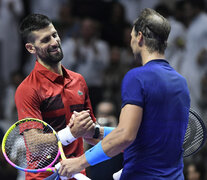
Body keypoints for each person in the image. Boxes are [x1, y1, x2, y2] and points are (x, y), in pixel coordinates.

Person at [58, 8, 191, 179]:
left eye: (131, 37)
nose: (131, 42)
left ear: (140, 37)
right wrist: (95, 132)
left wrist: (79, 162)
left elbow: (126, 135)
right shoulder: (181, 82)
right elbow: (146, 133)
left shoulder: (136, 77)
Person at [15, 14, 100, 180]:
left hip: (77, 175)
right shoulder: (27, 89)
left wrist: (127, 145)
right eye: (45, 40)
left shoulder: (79, 81)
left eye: (54, 35)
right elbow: (34, 145)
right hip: (43, 177)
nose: (54, 42)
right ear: (31, 48)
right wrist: (71, 133)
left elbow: (91, 134)